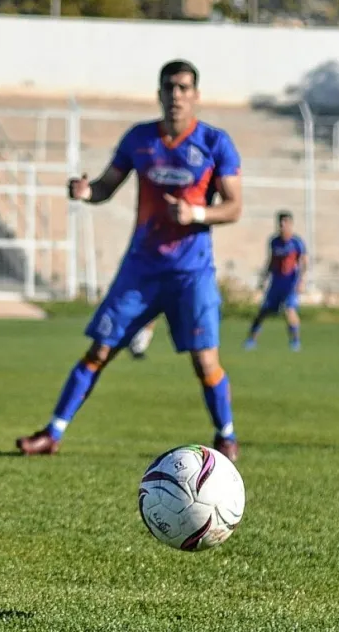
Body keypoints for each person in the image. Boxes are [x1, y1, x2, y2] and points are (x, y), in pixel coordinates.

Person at [16, 59, 243, 463]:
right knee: (98, 350)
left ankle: (226, 436)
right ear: (158, 93)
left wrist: (197, 215)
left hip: (191, 272)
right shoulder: (140, 140)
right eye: (169, 87)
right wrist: (87, 192)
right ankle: (52, 433)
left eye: (184, 88)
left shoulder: (214, 143)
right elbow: (107, 185)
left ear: (196, 95)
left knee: (204, 359)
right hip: (141, 269)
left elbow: (233, 207)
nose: (176, 95)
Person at [244, 211, 308, 351]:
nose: (282, 226)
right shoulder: (274, 241)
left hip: (290, 281)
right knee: (263, 311)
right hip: (276, 281)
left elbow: (303, 262)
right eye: (280, 223)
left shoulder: (296, 242)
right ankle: (251, 340)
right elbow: (271, 261)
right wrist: (264, 278)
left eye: (285, 223)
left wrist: (302, 281)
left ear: (290, 224)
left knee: (289, 310)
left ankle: (295, 342)